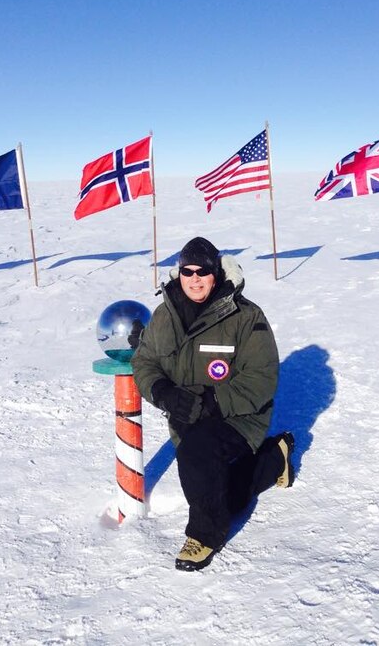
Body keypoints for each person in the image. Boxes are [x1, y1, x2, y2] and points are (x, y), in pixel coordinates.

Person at [131, 236, 294, 571]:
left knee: (198, 456)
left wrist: (211, 401)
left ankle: (204, 536)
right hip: (186, 415)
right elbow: (144, 361)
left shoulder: (246, 316)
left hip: (239, 415)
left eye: (202, 271)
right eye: (187, 271)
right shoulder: (165, 315)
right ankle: (275, 458)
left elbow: (262, 380)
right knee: (219, 493)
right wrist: (163, 392)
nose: (195, 279)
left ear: (215, 273)